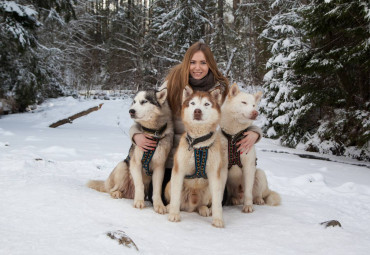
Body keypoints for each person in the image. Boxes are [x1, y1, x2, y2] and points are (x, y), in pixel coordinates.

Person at [129, 41, 262, 204]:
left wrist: (255, 131)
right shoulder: (174, 82)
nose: (197, 67)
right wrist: (135, 134)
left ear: (210, 64)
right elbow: (151, 112)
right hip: (176, 157)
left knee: (219, 199)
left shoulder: (219, 88)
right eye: (192, 62)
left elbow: (237, 112)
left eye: (203, 63)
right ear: (187, 63)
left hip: (207, 156)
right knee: (165, 198)